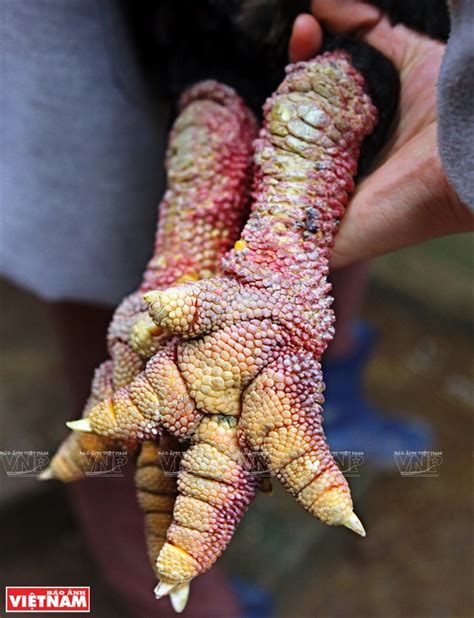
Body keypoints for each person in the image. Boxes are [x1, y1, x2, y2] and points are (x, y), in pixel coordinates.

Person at [1, 1, 472, 616]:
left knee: (329, 220)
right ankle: (168, 595)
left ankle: (329, 394)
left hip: (373, 39)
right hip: (97, 39)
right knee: (142, 345)